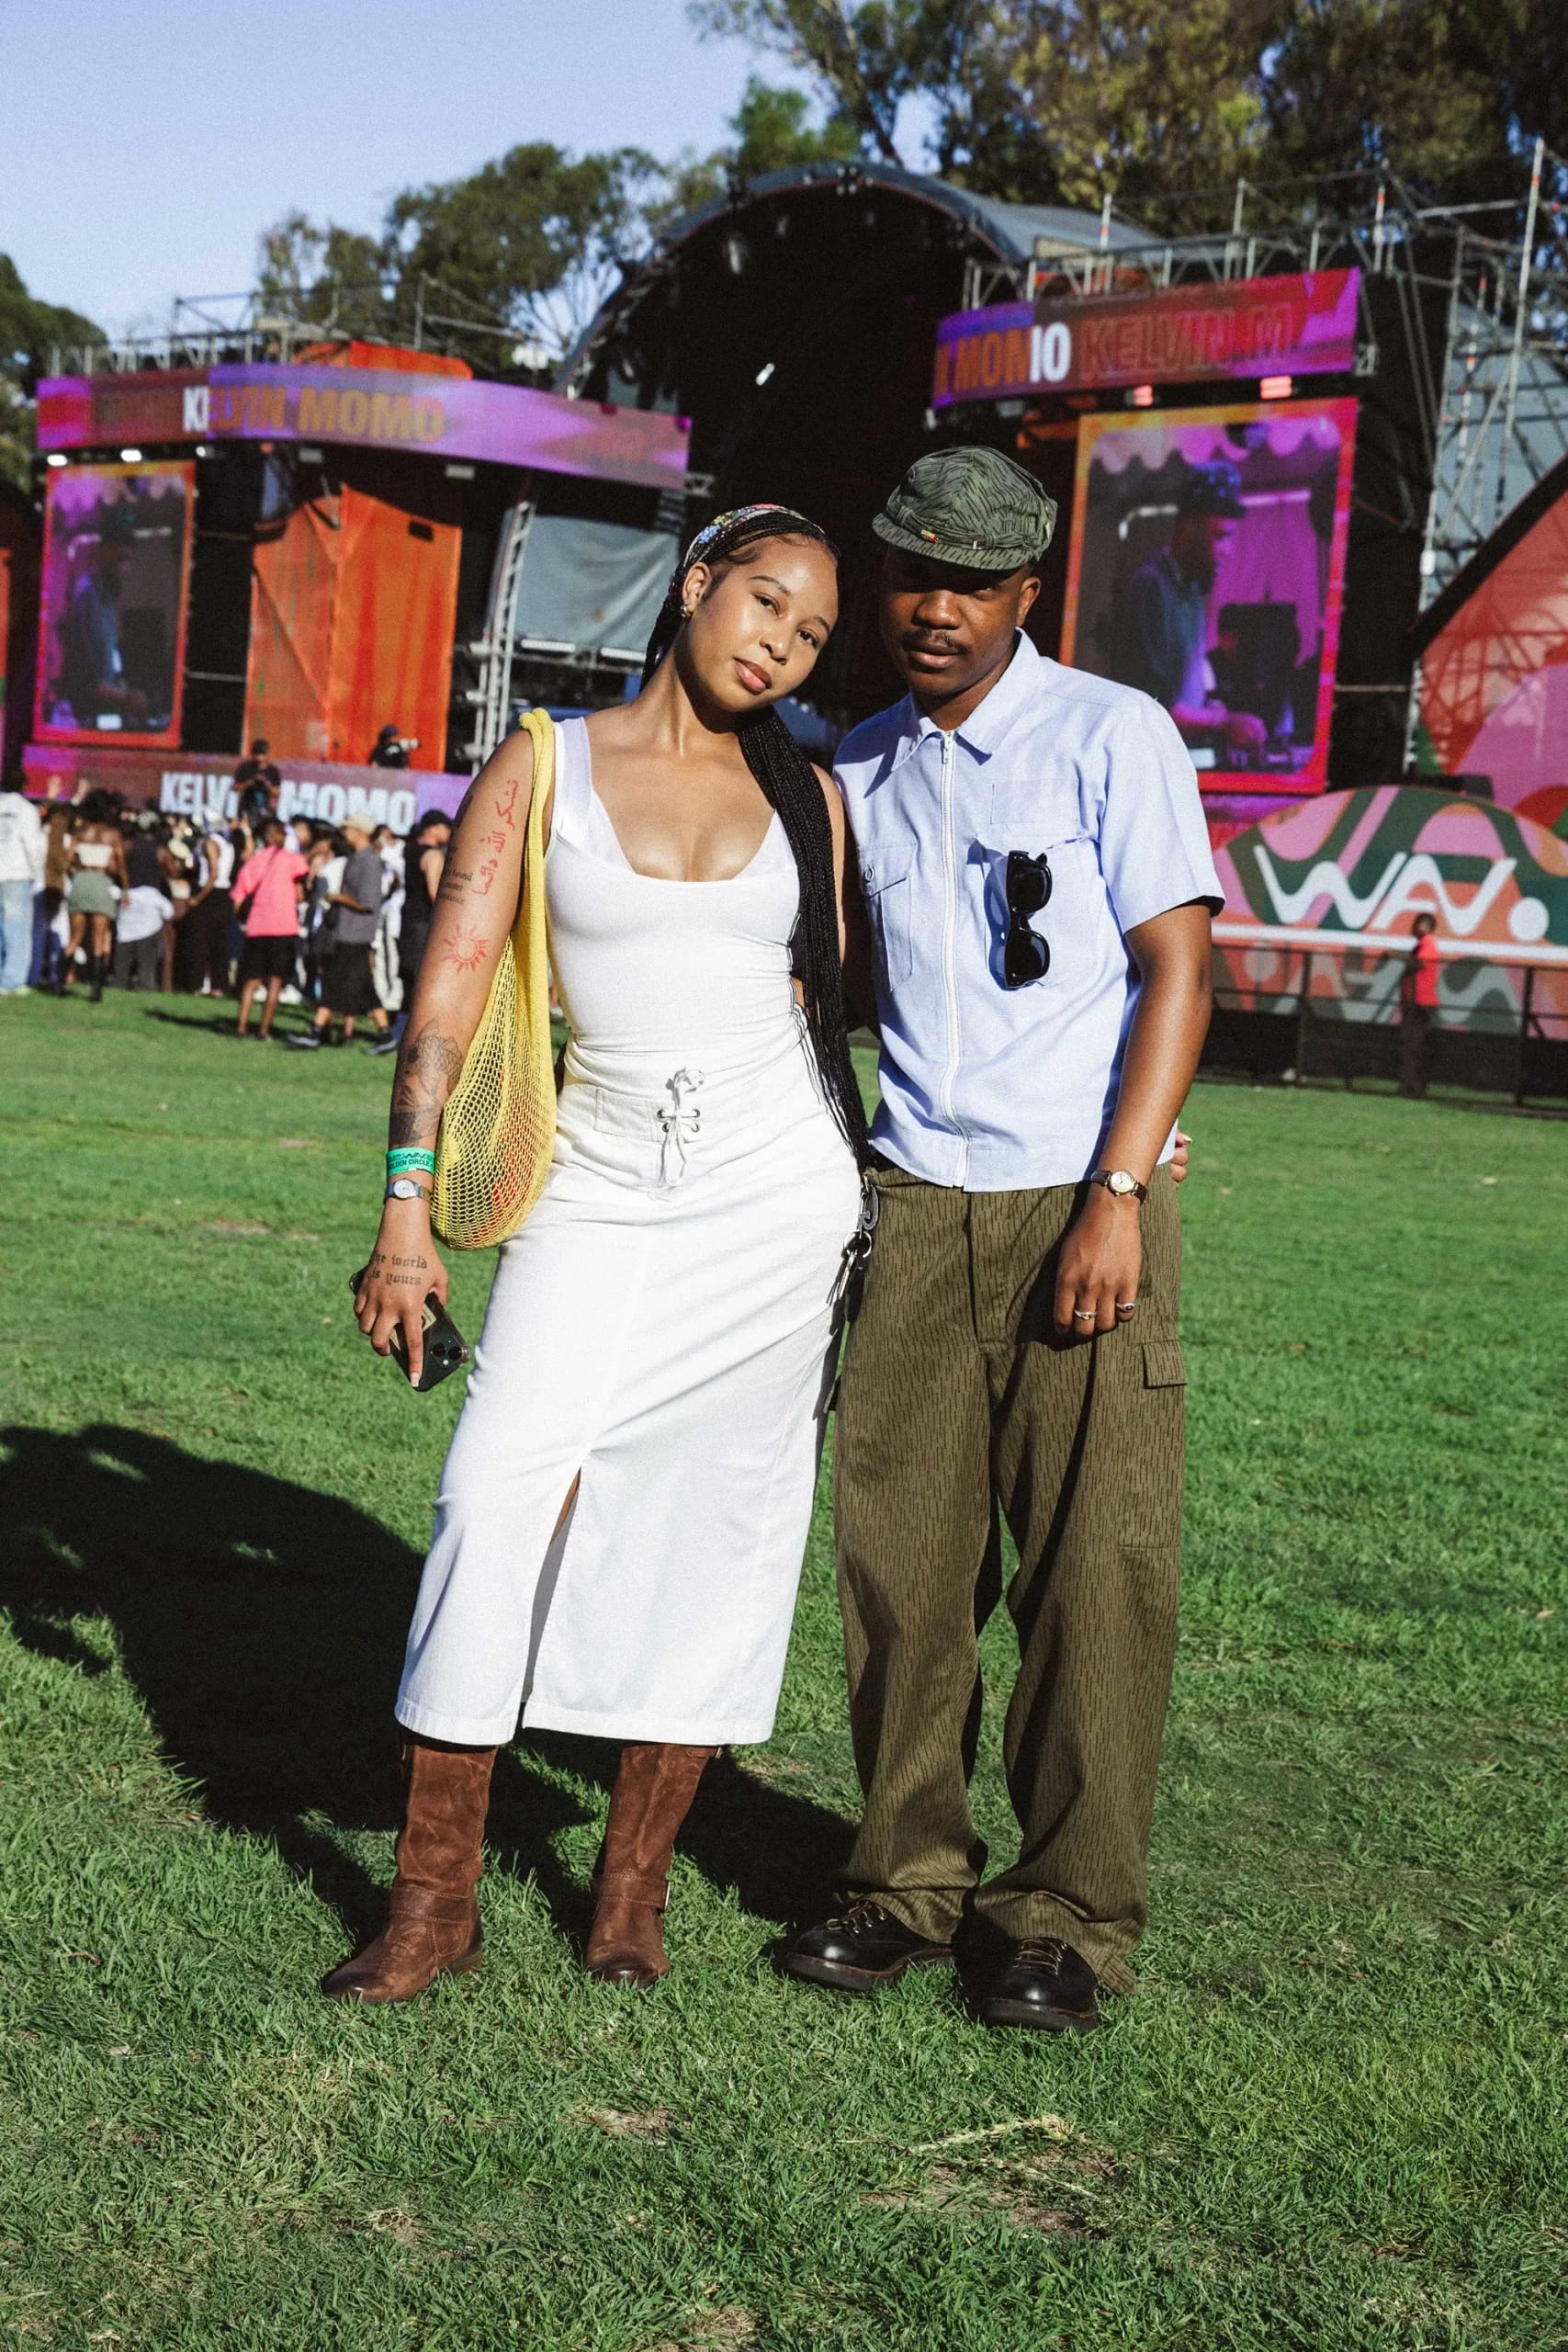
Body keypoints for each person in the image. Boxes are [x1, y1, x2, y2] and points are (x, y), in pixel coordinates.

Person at [323, 504, 865, 2005]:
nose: (781, 642)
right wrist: (404, 1209)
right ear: (694, 586)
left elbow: (848, 1004)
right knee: (492, 1495)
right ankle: (431, 1904)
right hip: (595, 1190)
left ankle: (630, 1896)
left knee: (713, 1534)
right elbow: (446, 991)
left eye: (811, 632)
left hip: (773, 1212)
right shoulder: (543, 762)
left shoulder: (812, 799)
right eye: (765, 601)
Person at [783, 447, 1220, 2035]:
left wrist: (1118, 1192)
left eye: (972, 582)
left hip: (1074, 1203)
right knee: (902, 1574)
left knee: (1094, 1577)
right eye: (913, 574)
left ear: (1027, 590)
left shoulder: (1111, 732)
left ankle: (1063, 1916)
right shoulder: (859, 762)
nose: (936, 608)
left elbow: (1178, 969)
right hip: (912, 1203)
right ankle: (903, 1882)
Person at [1108, 461, 1267, 769]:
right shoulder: (1150, 588)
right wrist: (1223, 723)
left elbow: (1184, 690)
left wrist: (1211, 708)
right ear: (1188, 527)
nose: (1228, 550)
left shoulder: (1192, 589)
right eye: (1220, 536)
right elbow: (1153, 708)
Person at [287, 817, 389, 1048]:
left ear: (360, 831)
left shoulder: (369, 861)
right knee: (363, 987)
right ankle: (385, 1035)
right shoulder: (357, 857)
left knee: (334, 981)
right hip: (348, 930)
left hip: (355, 933)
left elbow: (368, 902)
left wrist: (339, 898)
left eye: (347, 828)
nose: (344, 833)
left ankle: (315, 1031)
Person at [53, 504, 147, 731]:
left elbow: (106, 670)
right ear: (103, 553)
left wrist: (124, 690)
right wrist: (126, 697)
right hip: (86, 723)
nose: (126, 570)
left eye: (129, 561)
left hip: (104, 718)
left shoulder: (106, 601)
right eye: (121, 559)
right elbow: (85, 682)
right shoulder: (87, 598)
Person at [367, 811, 450, 1057]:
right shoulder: (433, 855)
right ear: (433, 828)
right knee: (424, 984)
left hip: (407, 923)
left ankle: (399, 1036)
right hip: (424, 926)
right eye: (445, 827)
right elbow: (435, 893)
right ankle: (416, 1040)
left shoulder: (409, 851)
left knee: (409, 985)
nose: (448, 833)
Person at [231, 818, 309, 1039]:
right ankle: (264, 1030)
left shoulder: (256, 860)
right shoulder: (291, 860)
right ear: (276, 836)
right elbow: (301, 885)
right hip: (283, 926)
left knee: (251, 980)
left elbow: (239, 893)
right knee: (275, 980)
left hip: (257, 925)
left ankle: (241, 1027)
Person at [57, 791, 128, 1001]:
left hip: (81, 881)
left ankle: (59, 983)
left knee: (75, 937)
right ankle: (96, 990)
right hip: (101, 882)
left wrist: (78, 870)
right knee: (99, 939)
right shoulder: (112, 834)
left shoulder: (80, 832)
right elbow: (121, 865)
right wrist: (125, 888)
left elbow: (68, 860)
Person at [0, 769, 45, 995]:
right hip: (17, 873)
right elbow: (33, 845)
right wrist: (35, 870)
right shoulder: (27, 810)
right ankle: (12, 981)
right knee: (17, 928)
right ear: (24, 786)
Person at [1400, 912, 1439, 1099]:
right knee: (1412, 1044)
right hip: (1414, 1000)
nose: (1414, 927)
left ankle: (1414, 1086)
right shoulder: (1422, 944)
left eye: (1418, 924)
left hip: (1421, 1001)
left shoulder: (1428, 943)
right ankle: (1411, 1084)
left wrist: (1395, 955)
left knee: (1414, 1044)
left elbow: (1420, 963)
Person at [234, 740, 282, 831]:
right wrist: (249, 783)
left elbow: (277, 793)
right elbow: (235, 787)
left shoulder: (272, 771)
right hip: (248, 809)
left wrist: (266, 784)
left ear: (267, 754)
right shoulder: (245, 768)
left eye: (262, 754)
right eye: (257, 754)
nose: (260, 758)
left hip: (265, 810)